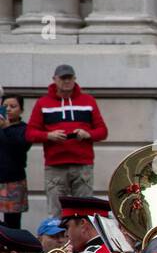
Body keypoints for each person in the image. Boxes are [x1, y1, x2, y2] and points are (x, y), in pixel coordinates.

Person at [26, 65, 108, 217]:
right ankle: (58, 240)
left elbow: (103, 131)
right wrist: (49, 136)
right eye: (63, 78)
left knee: (84, 212)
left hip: (82, 165)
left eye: (69, 77)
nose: (67, 81)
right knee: (56, 212)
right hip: (55, 166)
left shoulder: (88, 101)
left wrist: (87, 134)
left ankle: (84, 241)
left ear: (75, 79)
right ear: (55, 80)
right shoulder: (43, 103)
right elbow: (30, 133)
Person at [0, 95, 30, 229]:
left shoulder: (24, 129)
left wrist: (6, 127)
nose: (8, 109)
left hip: (14, 180)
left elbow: (20, 146)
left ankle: (12, 248)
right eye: (5, 106)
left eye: (13, 106)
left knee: (12, 222)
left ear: (21, 110)